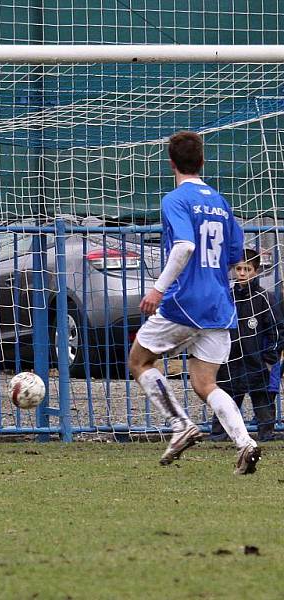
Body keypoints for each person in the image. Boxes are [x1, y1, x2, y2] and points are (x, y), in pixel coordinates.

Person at [127, 130, 261, 475]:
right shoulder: (219, 201)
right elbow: (234, 255)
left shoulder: (176, 199)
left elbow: (184, 246)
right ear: (202, 161)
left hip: (186, 301)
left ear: (170, 163)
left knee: (140, 360)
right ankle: (245, 443)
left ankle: (179, 424)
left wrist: (158, 288)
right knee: (205, 384)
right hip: (219, 304)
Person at [210, 249, 284, 442]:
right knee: (225, 399)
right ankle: (219, 435)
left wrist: (269, 359)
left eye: (247, 269)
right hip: (230, 362)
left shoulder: (265, 298)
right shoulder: (227, 297)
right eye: (239, 269)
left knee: (263, 399)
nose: (242, 273)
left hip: (257, 362)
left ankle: (266, 433)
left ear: (256, 271)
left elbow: (277, 330)